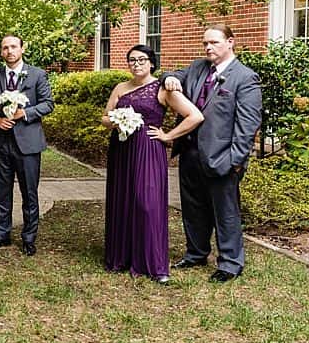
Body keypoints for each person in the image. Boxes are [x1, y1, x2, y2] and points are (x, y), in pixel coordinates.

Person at [104, 45, 200, 283]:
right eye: (132, 60)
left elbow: (195, 116)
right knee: (123, 199)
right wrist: (117, 121)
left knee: (147, 203)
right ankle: (122, 256)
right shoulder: (120, 88)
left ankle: (153, 264)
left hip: (148, 150)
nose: (136, 64)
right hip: (122, 149)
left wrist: (168, 136)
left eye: (141, 60)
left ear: (152, 63)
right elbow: (105, 117)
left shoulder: (162, 88)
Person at [175, 25, 264, 282]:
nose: (208, 47)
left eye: (213, 42)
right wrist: (170, 77)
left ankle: (230, 263)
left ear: (230, 42)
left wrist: (235, 161)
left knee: (225, 213)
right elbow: (173, 76)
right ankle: (196, 253)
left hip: (222, 158)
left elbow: (247, 125)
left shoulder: (245, 78)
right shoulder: (197, 68)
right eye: (205, 43)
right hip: (190, 152)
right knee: (193, 209)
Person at [0, 34, 53, 255]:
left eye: (13, 47)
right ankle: (2, 234)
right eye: (5, 48)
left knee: (29, 193)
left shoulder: (37, 74)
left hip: (28, 144)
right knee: (2, 191)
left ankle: (29, 237)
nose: (9, 51)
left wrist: (26, 113)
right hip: (0, 144)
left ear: (22, 49)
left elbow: (48, 104)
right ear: (1, 52)